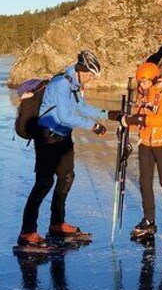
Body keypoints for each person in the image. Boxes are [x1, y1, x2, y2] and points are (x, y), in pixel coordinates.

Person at [17, 49, 121, 248]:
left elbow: (80, 107)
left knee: (66, 177)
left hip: (63, 137)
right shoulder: (61, 84)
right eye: (90, 74)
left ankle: (57, 223)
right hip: (47, 138)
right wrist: (93, 126)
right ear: (81, 70)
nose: (91, 79)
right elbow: (65, 116)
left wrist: (108, 114)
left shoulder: (73, 84)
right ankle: (27, 232)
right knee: (43, 184)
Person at [125, 62, 162, 240]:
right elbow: (138, 119)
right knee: (145, 182)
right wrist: (127, 124)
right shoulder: (142, 95)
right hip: (145, 145)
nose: (141, 85)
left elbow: (161, 119)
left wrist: (139, 118)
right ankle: (149, 219)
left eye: (145, 82)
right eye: (140, 82)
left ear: (154, 79)